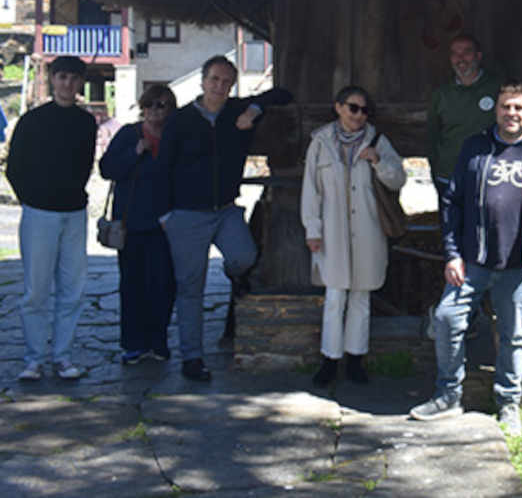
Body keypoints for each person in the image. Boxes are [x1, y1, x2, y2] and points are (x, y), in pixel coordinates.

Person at [409, 82, 522, 437]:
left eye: (518, 108)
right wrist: (452, 254)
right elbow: (452, 202)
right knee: (447, 319)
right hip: (472, 261)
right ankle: (448, 395)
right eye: (505, 107)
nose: (511, 113)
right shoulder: (475, 146)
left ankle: (508, 403)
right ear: (495, 110)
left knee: (513, 336)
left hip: (521, 264)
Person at [157, 55, 292, 382]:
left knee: (244, 257)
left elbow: (280, 95)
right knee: (191, 287)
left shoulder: (235, 112)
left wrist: (254, 112)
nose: (219, 86)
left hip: (225, 211)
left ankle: (236, 277)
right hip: (186, 215)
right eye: (214, 80)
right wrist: (165, 216)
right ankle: (192, 358)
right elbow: (162, 170)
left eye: (226, 82)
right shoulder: (180, 121)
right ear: (203, 81)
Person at [301, 85, 406, 386]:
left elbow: (399, 179)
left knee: (361, 296)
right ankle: (330, 361)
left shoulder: (377, 141)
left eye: (364, 110)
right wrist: (313, 229)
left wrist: (378, 161)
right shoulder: (320, 143)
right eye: (353, 107)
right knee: (334, 296)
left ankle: (356, 359)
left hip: (368, 231)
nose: (359, 115)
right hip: (332, 232)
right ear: (338, 107)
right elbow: (311, 190)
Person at [7, 56, 97, 381]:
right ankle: (34, 359)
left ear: (80, 83)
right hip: (39, 213)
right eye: (61, 77)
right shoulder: (32, 121)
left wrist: (71, 193)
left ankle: (62, 357)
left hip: (74, 213)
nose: (67, 85)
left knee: (72, 289)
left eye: (74, 79)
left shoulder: (86, 123)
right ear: (51, 79)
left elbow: (86, 165)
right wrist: (33, 200)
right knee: (36, 290)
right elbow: (14, 168)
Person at [99, 84, 180, 365]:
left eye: (163, 105)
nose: (156, 111)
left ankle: (157, 342)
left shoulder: (174, 136)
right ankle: (133, 344)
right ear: (143, 107)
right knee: (133, 286)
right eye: (151, 105)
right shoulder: (129, 134)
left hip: (166, 226)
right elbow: (107, 169)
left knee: (163, 285)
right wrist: (135, 152)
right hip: (132, 223)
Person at [426, 33, 504, 204]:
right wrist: (437, 170)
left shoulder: (498, 88)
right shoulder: (441, 94)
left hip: (489, 176)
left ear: (478, 56)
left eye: (467, 52)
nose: (461, 58)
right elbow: (432, 136)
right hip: (449, 175)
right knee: (451, 229)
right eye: (455, 53)